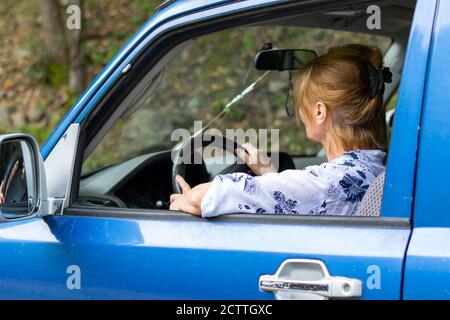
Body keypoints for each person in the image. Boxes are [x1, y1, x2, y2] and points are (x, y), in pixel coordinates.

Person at [169, 44, 391, 217]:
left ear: (319, 112)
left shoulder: (327, 182)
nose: (298, 113)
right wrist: (268, 174)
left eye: (299, 103)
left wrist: (186, 199)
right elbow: (297, 199)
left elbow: (206, 197)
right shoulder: (381, 167)